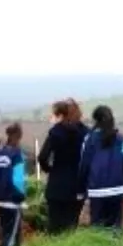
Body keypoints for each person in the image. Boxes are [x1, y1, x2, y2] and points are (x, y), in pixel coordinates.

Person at [37, 99, 90, 233]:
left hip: (56, 185)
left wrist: (50, 170)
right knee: (71, 226)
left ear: (62, 113)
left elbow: (42, 157)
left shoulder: (56, 131)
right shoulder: (86, 133)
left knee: (54, 226)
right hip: (76, 186)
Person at [79, 105, 123, 230]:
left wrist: (81, 190)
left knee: (97, 231)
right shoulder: (120, 139)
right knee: (115, 229)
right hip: (117, 190)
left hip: (96, 191)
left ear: (95, 120)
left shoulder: (89, 139)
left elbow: (84, 165)